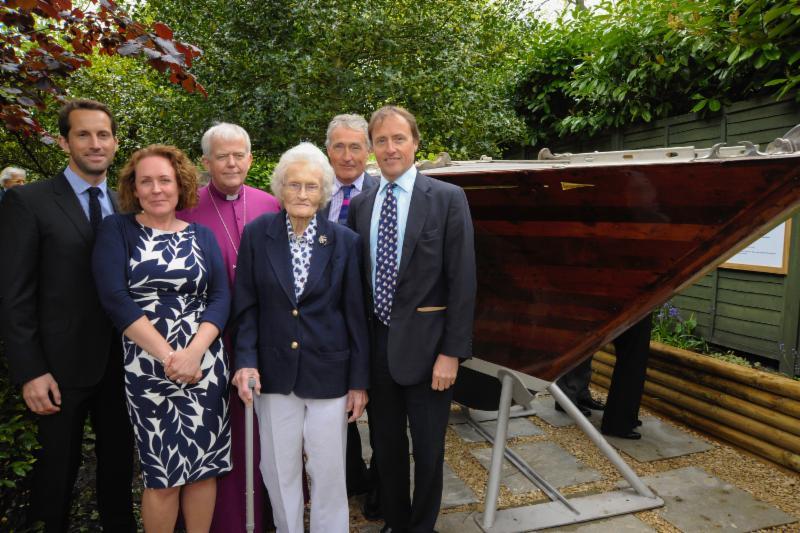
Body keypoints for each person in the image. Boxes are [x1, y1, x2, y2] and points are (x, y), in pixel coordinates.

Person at [0, 99, 135, 532]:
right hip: (57, 370)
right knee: (55, 479)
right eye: (83, 134)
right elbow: (14, 294)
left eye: (103, 135)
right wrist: (30, 371)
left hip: (122, 365)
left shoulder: (127, 206)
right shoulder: (29, 202)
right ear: (64, 141)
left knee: (118, 475)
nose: (95, 144)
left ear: (114, 143)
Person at [347, 105, 476, 533]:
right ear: (371, 149)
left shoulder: (446, 199)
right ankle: (397, 523)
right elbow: (359, 287)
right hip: (378, 348)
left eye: (398, 138)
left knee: (428, 449)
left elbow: (462, 282)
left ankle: (422, 527)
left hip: (429, 353)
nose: (390, 148)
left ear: (416, 143)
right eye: (380, 141)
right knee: (386, 447)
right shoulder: (362, 206)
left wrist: (451, 354)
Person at [92, 144, 232, 532]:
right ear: (133, 189)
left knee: (204, 470)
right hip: (148, 368)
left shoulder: (202, 235)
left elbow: (221, 297)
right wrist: (171, 356)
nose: (156, 189)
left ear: (180, 185)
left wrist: (195, 353)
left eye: (164, 180)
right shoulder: (117, 230)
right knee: (164, 475)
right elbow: (114, 298)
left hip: (205, 366)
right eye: (146, 181)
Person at [231, 142, 369, 533]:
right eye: (294, 185)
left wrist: (359, 382)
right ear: (280, 189)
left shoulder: (344, 241)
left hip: (330, 373)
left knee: (328, 472)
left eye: (311, 186)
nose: (303, 194)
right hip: (273, 373)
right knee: (278, 469)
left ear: (324, 191)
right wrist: (245, 360)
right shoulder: (259, 235)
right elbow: (246, 306)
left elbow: (355, 315)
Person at [178, 122, 280, 532]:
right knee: (218, 435)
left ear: (251, 159)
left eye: (240, 154)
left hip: (264, 338)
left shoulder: (273, 205)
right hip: (210, 339)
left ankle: (265, 519)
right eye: (223, 156)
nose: (232, 162)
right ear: (207, 162)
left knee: (265, 435)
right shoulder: (187, 209)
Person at [323, 113, 380, 505]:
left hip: (377, 320)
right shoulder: (310, 191)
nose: (347, 156)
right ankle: (351, 477)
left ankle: (381, 487)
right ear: (328, 150)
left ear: (369, 150)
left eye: (355, 146)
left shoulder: (383, 192)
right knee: (335, 406)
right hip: (328, 323)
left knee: (383, 412)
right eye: (339, 146)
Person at [600, 315, 653, 440]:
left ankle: (626, 418)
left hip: (638, 307)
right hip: (635, 307)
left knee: (633, 360)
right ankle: (617, 424)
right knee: (631, 361)